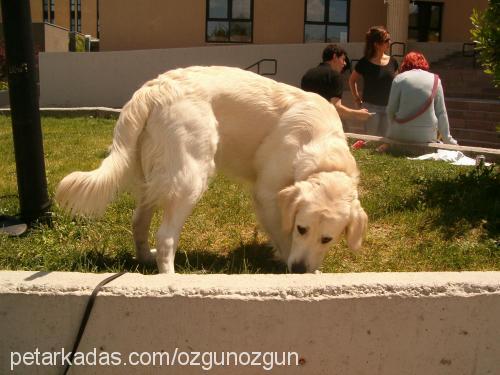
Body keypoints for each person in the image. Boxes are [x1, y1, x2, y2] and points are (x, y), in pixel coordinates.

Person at [385, 51, 457, 145]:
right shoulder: (435, 80)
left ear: (405, 64)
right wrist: (448, 140)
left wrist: (392, 127)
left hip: (400, 133)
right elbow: (441, 113)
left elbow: (391, 109)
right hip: (426, 136)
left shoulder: (399, 78)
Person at [301, 44, 372, 121]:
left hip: (308, 119)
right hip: (325, 122)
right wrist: (357, 113)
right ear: (335, 57)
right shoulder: (335, 76)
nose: (344, 63)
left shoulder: (308, 74)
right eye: (343, 59)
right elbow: (336, 107)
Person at [349, 26, 399, 136]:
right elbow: (352, 80)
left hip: (389, 107)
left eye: (389, 39)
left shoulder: (393, 62)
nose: (389, 42)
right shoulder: (364, 62)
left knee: (386, 139)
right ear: (376, 44)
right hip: (371, 107)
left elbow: (397, 84)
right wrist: (357, 99)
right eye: (386, 40)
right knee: (371, 139)